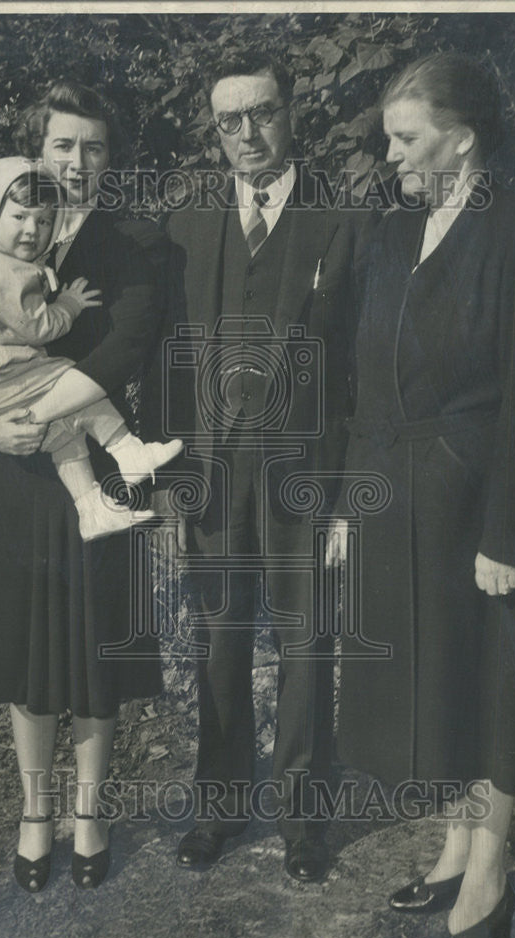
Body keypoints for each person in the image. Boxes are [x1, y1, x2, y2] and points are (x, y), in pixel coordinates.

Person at [326, 52, 515, 938]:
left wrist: (508, 531)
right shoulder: (393, 234)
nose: (390, 156)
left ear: (461, 138)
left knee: (486, 683)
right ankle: (452, 846)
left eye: (406, 138)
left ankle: (490, 875)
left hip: (478, 503)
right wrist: (351, 503)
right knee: (436, 683)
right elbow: (366, 380)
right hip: (398, 499)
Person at [147, 49, 362, 881]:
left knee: (307, 642)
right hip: (210, 471)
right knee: (217, 640)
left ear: (290, 111)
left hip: (305, 474)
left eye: (262, 113)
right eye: (229, 121)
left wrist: (343, 498)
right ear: (214, 131)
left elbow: (358, 368)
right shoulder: (186, 228)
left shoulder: (344, 221)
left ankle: (305, 821)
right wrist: (169, 484)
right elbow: (164, 363)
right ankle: (221, 808)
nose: (247, 133)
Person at [0, 81, 170, 892]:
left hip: (93, 469)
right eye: (63, 146)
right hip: (13, 470)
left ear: (112, 158)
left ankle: (90, 812)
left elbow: (120, 357)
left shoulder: (139, 246)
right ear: (35, 154)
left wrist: (30, 415)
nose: (77, 163)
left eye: (94, 147)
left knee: (93, 648)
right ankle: (34, 811)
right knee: (26, 648)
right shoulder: (1, 237)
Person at [0, 156, 183, 540]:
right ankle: (128, 450)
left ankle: (90, 508)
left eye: (42, 221)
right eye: (19, 218)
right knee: (75, 381)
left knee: (65, 431)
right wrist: (68, 306)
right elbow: (38, 326)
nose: (30, 231)